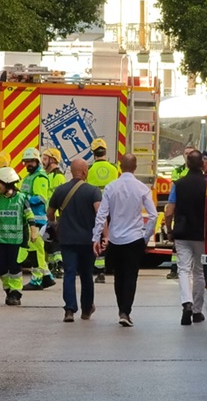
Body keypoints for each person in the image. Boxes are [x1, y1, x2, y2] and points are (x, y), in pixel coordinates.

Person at [92, 153, 158, 327]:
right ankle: (125, 312)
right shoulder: (142, 188)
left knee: (119, 276)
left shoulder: (111, 187)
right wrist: (146, 237)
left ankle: (121, 308)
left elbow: (102, 215)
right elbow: (153, 215)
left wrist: (96, 237)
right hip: (134, 239)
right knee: (131, 276)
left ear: (120, 167)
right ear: (135, 167)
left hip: (115, 239)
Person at [47, 159, 102, 323]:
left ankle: (69, 310)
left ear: (71, 171)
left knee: (69, 273)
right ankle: (86, 309)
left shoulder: (60, 190)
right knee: (86, 275)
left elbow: (50, 213)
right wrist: (101, 234)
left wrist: (55, 224)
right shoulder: (93, 191)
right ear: (85, 171)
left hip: (67, 239)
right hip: (87, 240)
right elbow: (99, 212)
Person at [164, 150, 207, 325]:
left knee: (183, 270)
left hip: (182, 233)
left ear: (187, 164)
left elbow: (169, 212)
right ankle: (197, 311)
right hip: (201, 234)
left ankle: (186, 303)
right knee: (199, 271)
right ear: (202, 164)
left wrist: (169, 230)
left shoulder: (178, 184)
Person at [0, 166, 35, 306]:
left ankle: (15, 293)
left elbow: (30, 216)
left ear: (7, 182)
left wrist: (33, 231)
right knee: (1, 269)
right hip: (0, 239)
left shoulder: (21, 198)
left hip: (16, 241)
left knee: (15, 268)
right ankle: (8, 290)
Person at [18, 148, 55, 290]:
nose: (28, 164)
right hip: (31, 219)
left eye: (31, 161)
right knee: (35, 248)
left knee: (36, 250)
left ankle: (37, 279)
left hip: (37, 220)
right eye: (26, 162)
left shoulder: (40, 177)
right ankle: (47, 277)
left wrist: (24, 199)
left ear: (37, 161)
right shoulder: (29, 177)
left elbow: (40, 198)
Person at [86, 138, 118, 284]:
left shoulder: (89, 169)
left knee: (98, 237)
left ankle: (100, 271)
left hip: (96, 208)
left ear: (93, 153)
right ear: (105, 151)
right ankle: (113, 266)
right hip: (113, 208)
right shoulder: (114, 168)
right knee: (112, 236)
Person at [166, 143, 196, 280]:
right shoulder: (177, 171)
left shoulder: (200, 172)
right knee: (177, 245)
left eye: (190, 154)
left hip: (192, 211)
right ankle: (174, 269)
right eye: (186, 153)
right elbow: (173, 191)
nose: (187, 156)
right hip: (180, 211)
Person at [43, 148, 66, 279]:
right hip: (47, 214)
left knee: (55, 241)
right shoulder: (47, 175)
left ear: (52, 160)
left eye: (45, 159)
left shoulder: (58, 176)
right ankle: (53, 266)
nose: (43, 161)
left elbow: (61, 197)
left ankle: (59, 265)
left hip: (55, 215)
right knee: (49, 241)